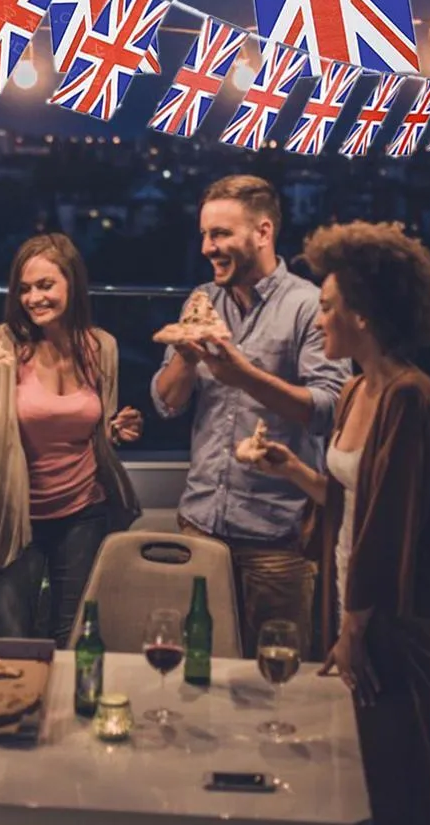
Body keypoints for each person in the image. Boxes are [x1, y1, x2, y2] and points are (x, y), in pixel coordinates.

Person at [255, 222, 430, 825]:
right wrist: (292, 469)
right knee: (357, 770)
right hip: (357, 602)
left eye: (326, 307)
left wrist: (355, 630)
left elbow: (391, 525)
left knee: (402, 776)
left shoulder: (409, 397)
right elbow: (348, 500)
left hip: (401, 616)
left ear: (364, 315)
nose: (318, 321)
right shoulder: (355, 391)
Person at [151, 175, 349, 658]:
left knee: (276, 683)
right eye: (204, 234)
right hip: (199, 525)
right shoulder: (203, 300)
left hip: (276, 539)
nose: (207, 247)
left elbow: (327, 409)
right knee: (197, 667)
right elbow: (167, 403)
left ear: (262, 232)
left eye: (220, 234)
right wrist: (188, 356)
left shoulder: (309, 306)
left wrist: (244, 375)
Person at [0, 234, 143, 647]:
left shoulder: (102, 348)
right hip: (18, 512)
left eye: (45, 286)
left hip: (83, 512)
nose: (33, 298)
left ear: (72, 284)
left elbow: (96, 428)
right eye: (24, 288)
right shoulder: (2, 345)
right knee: (14, 641)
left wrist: (117, 429)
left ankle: (64, 712)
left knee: (73, 636)